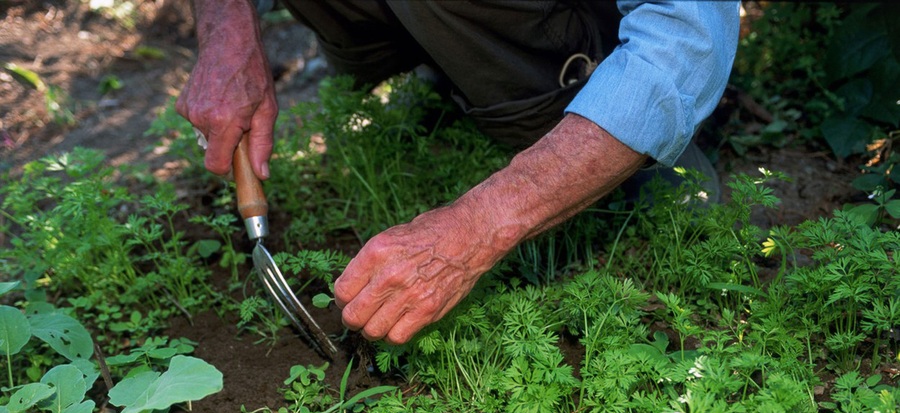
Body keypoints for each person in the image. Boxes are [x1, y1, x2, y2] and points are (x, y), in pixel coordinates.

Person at [177, 0, 740, 346]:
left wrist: (477, 227)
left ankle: (589, 110)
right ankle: (449, 71)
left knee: (680, 205)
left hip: (591, 28)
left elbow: (682, 41)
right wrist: (227, 28)